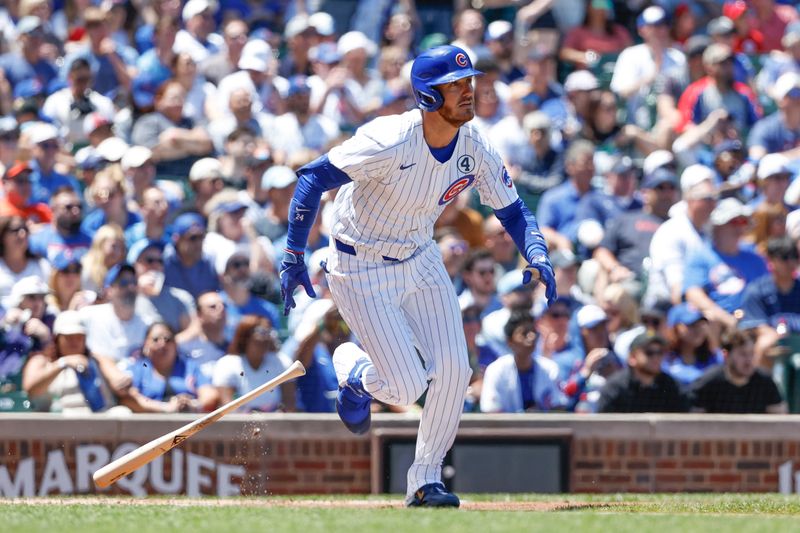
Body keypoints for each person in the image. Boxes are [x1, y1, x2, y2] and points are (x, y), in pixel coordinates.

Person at [279, 45, 556, 508]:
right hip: (359, 263)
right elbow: (311, 178)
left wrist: (535, 249)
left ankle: (425, 480)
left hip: (419, 254)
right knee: (406, 386)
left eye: (469, 82)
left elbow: (511, 208)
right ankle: (354, 372)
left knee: (455, 369)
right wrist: (292, 253)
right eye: (455, 85)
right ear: (428, 96)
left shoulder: (474, 143)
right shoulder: (388, 138)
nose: (469, 92)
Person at [22, 310, 121, 413]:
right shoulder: (41, 361)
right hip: (61, 421)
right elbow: (31, 389)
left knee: (122, 412)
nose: (74, 342)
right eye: (68, 337)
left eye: (79, 337)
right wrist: (63, 363)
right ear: (57, 339)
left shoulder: (98, 360)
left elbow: (118, 380)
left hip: (99, 420)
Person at [480, 310, 566, 413]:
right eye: (524, 333)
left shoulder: (550, 368)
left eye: (534, 332)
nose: (532, 337)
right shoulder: (496, 370)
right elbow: (491, 411)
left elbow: (559, 408)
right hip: (507, 428)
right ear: (510, 342)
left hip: (543, 428)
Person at [124, 322, 217, 413]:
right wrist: (165, 408)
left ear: (175, 344)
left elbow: (210, 395)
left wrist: (193, 405)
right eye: (156, 339)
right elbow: (129, 399)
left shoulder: (190, 367)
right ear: (145, 344)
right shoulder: (139, 368)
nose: (162, 344)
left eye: (167, 339)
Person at [689, 328, 787, 414]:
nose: (748, 360)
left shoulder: (765, 382)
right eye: (742, 354)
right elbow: (693, 423)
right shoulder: (707, 383)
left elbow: (780, 419)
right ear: (726, 355)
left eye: (751, 354)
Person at [212, 315, 293, 413]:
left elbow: (289, 404)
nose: (266, 338)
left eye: (270, 332)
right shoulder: (226, 364)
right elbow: (227, 406)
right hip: (238, 425)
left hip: (276, 424)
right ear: (245, 336)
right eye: (262, 332)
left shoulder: (282, 361)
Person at [740, 237, 800, 364]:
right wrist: (778, 337)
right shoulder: (757, 290)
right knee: (765, 343)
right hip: (772, 343)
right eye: (785, 258)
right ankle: (761, 384)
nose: (791, 262)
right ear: (771, 260)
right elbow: (756, 326)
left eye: (794, 257)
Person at [597, 330, 688, 413]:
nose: (656, 358)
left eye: (660, 352)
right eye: (649, 352)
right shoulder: (615, 388)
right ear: (632, 357)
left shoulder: (671, 386)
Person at [0, 215, 49, 299]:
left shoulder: (41, 265)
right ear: (2, 236)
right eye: (15, 230)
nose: (22, 234)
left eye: (25, 230)